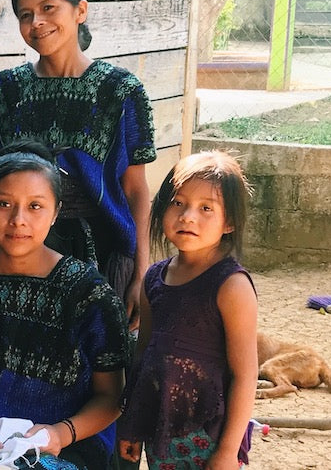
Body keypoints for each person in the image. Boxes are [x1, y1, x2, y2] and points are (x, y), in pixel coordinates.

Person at [0, 141, 130, 470]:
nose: (18, 220)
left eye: (35, 206)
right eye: (4, 204)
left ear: (56, 212)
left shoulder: (89, 295)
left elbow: (111, 398)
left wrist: (60, 433)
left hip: (63, 450)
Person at [0, 0, 155, 330]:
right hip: (20, 245)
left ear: (80, 11)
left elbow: (135, 189)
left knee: (97, 352)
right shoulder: (5, 90)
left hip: (103, 252)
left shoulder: (120, 90)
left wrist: (142, 272)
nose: (36, 22)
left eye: (48, 8)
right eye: (25, 15)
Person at [117, 151, 258, 470]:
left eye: (206, 208)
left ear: (230, 222)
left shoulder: (231, 286)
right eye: (178, 203)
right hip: (161, 432)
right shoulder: (153, 278)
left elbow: (245, 375)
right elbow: (144, 356)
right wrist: (133, 424)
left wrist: (227, 452)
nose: (188, 217)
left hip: (210, 439)